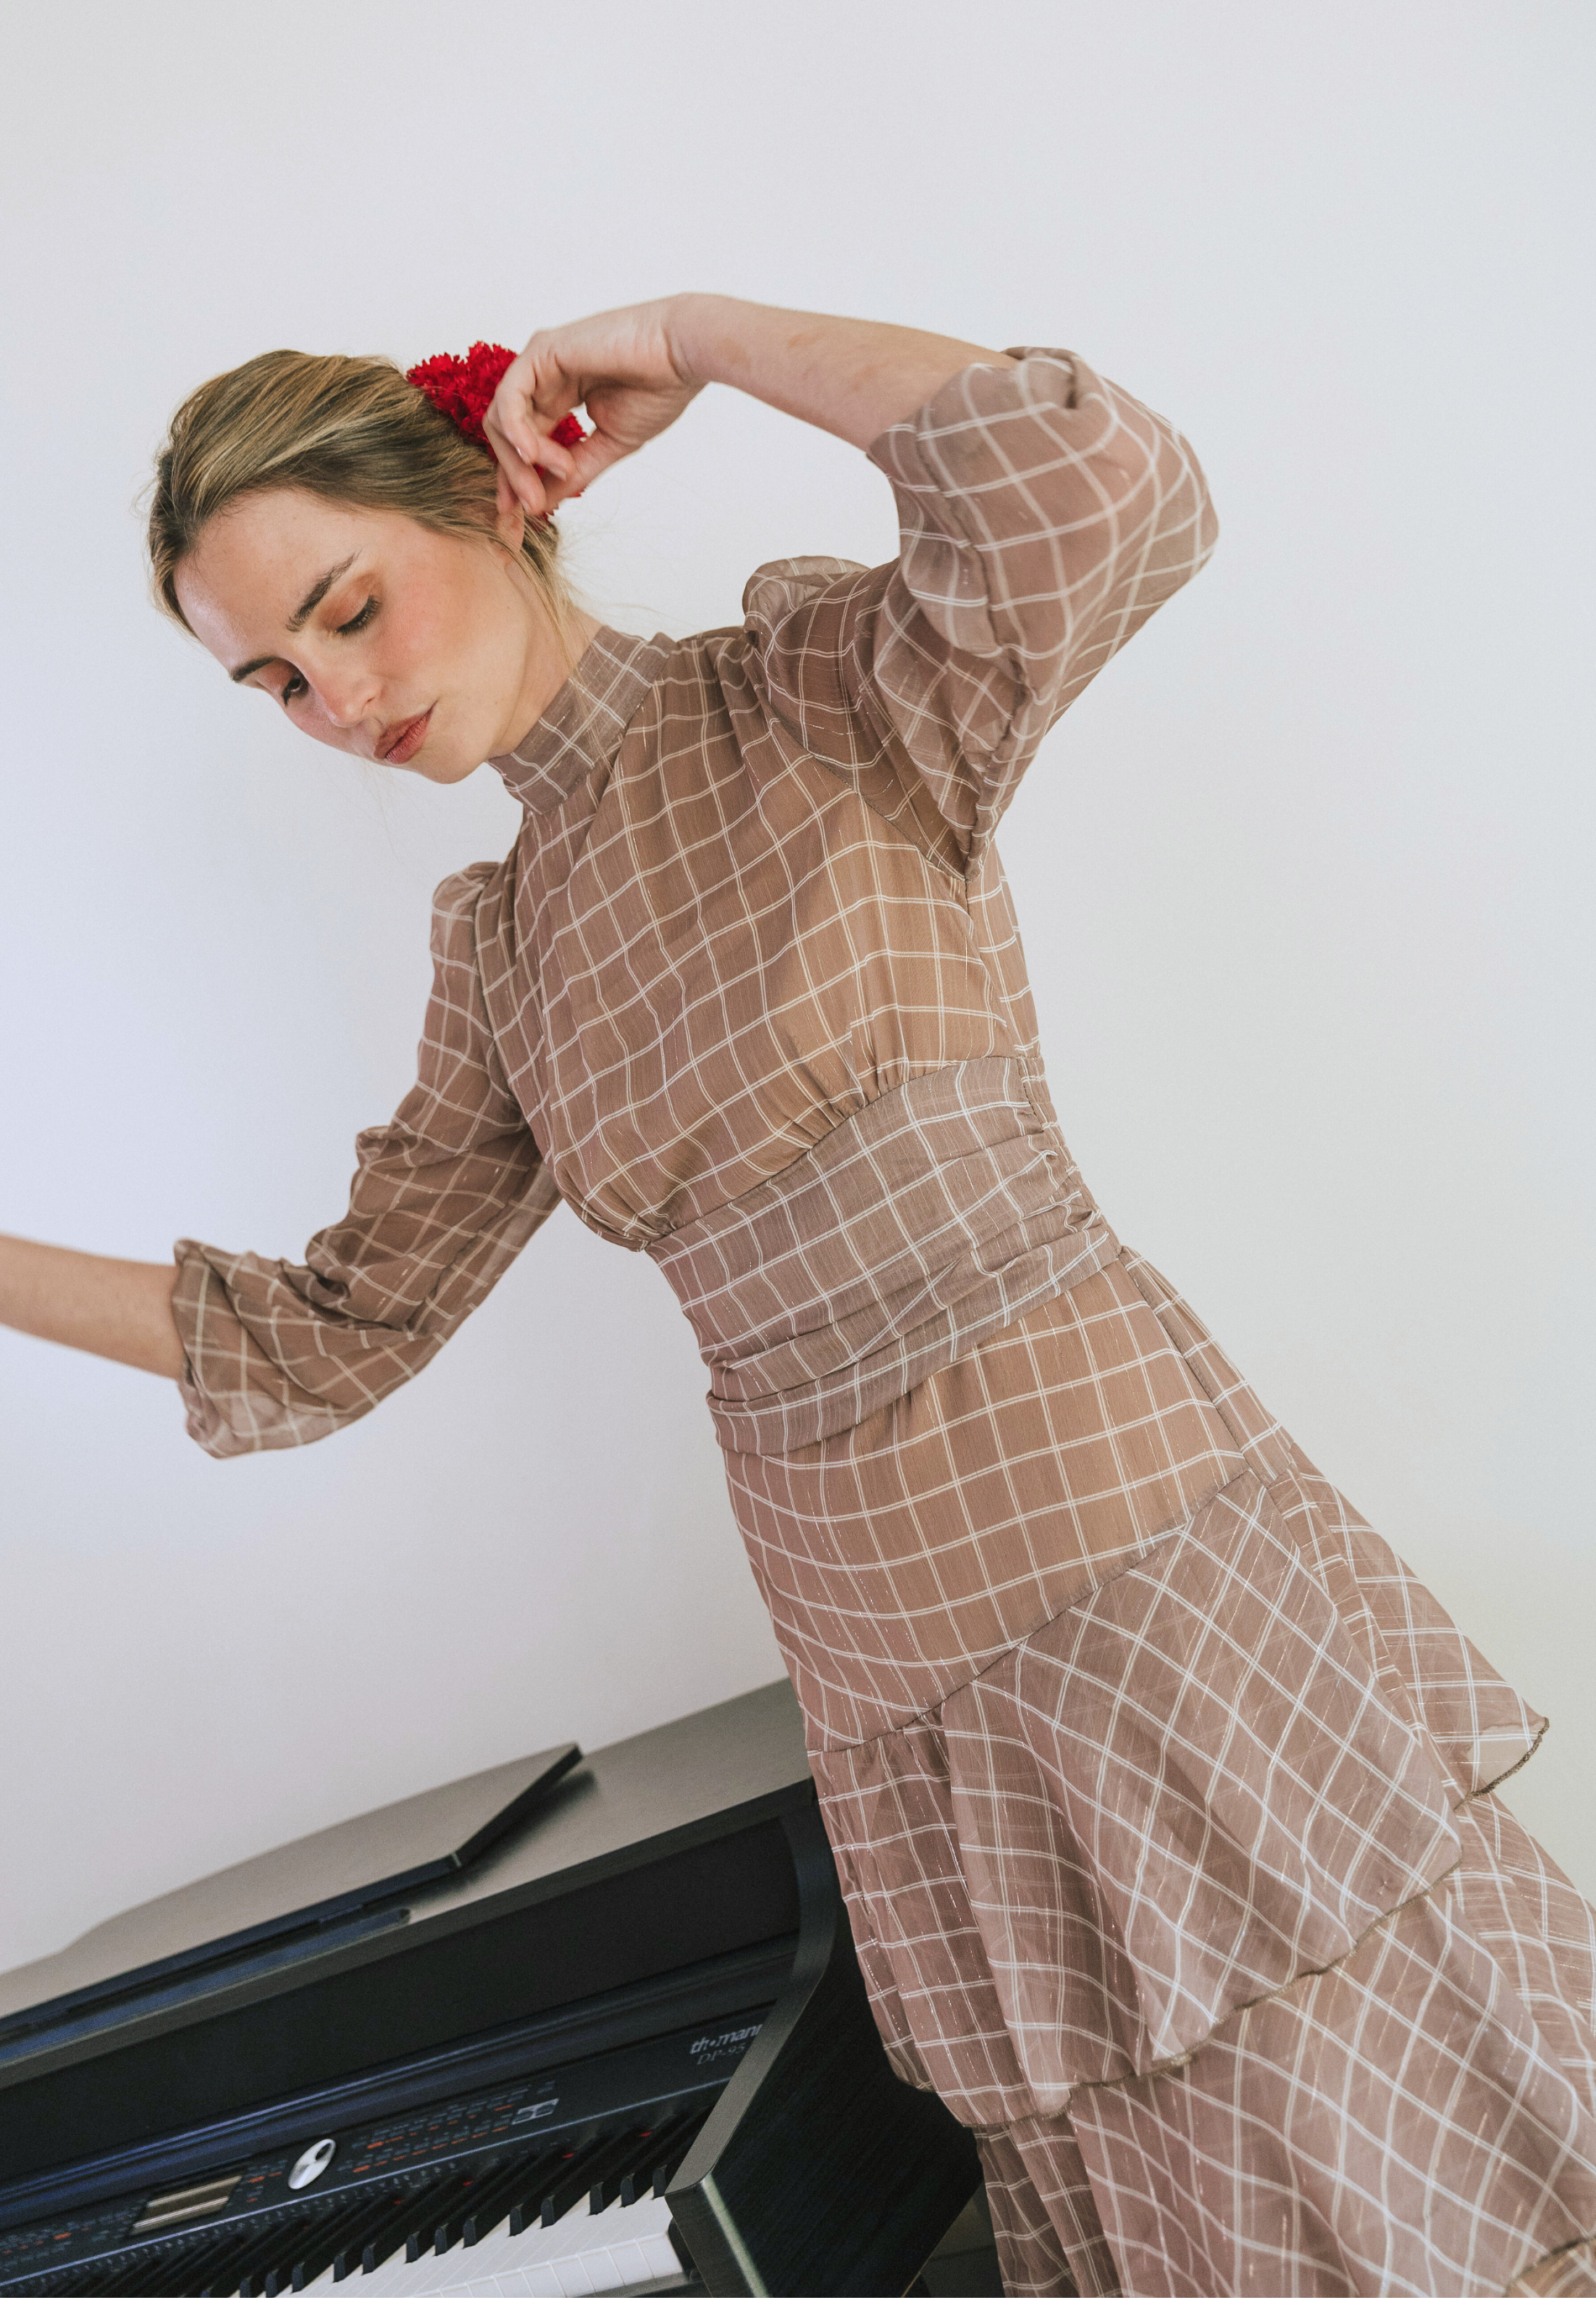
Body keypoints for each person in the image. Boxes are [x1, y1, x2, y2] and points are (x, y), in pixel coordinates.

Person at [3, 296, 1593, 2298]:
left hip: (1123, 1559)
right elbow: (320, 1336)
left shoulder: (814, 692)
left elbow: (1105, 489)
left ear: (487, 505)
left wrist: (697, 333)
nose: (331, 696)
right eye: (271, 677)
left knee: (1376, 2148)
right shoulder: (498, 948)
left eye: (346, 607)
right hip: (881, 1665)